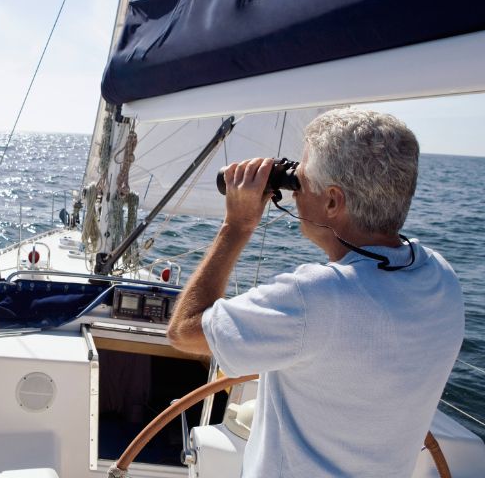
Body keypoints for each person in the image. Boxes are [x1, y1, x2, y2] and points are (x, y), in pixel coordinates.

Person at [167, 107, 464, 478]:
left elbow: (183, 331)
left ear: (333, 202)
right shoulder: (439, 276)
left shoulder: (315, 298)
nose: (293, 193)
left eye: (299, 180)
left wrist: (237, 225)